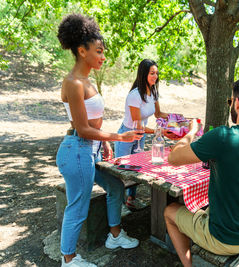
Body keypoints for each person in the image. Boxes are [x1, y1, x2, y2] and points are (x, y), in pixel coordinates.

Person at [164, 76, 239, 267]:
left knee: (170, 211)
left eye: (230, 101)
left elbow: (173, 158)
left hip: (224, 239)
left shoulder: (223, 137)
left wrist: (191, 133)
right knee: (205, 208)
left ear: (236, 104)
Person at [56, 14, 141, 267]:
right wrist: (117, 136)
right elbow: (82, 129)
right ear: (82, 51)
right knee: (78, 207)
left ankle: (114, 236)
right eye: (99, 51)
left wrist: (103, 142)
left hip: (89, 150)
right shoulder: (73, 83)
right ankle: (68, 259)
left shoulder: (87, 80)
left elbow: (92, 122)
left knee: (115, 187)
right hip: (77, 151)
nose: (103, 57)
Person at [114, 59, 179, 209]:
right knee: (121, 170)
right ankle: (119, 205)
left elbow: (158, 114)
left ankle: (131, 198)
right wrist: (161, 131)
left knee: (136, 167)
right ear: (143, 74)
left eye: (156, 73)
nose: (155, 76)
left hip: (140, 136)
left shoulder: (153, 91)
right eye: (152, 73)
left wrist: (177, 118)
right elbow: (138, 126)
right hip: (127, 134)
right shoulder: (135, 95)